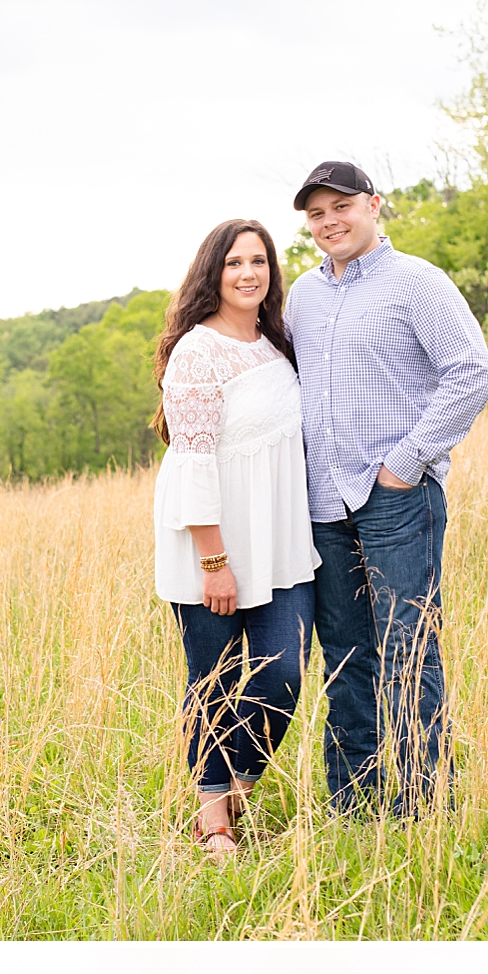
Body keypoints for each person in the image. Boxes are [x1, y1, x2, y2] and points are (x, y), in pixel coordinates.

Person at [285, 162, 488, 819]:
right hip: (322, 503)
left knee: (409, 647)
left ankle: (427, 802)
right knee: (346, 657)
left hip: (397, 499)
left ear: (374, 205)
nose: (329, 223)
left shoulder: (417, 283)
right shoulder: (301, 296)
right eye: (316, 214)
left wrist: (405, 462)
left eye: (340, 207)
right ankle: (354, 802)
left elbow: (471, 374)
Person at [154, 223, 319, 858]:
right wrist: (214, 562)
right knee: (213, 683)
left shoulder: (274, 343)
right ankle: (213, 816)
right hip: (212, 547)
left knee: (283, 675)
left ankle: (236, 787)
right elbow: (193, 463)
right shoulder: (197, 353)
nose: (248, 273)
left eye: (259, 261)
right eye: (233, 263)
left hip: (279, 541)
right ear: (211, 273)